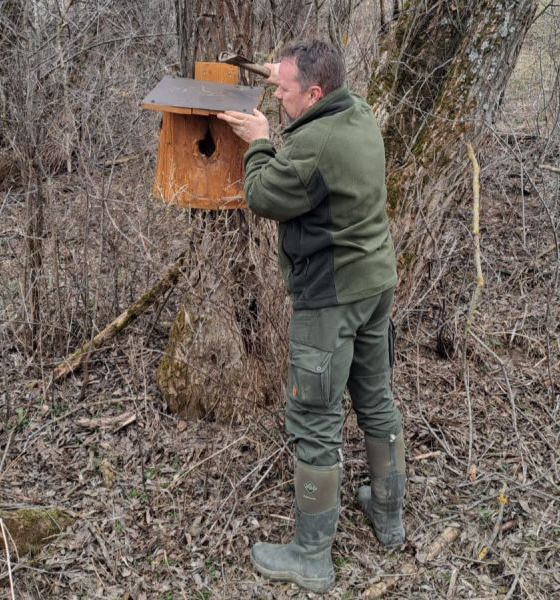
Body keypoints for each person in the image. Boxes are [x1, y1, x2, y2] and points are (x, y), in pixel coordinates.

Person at [218, 39, 406, 593]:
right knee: (375, 398)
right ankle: (388, 516)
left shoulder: (314, 146)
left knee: (315, 420)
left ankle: (311, 556)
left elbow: (264, 193)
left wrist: (258, 143)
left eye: (284, 88)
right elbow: (292, 88)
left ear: (316, 92)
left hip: (332, 297)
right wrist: (268, 68)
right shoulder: (358, 111)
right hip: (376, 284)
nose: (275, 92)